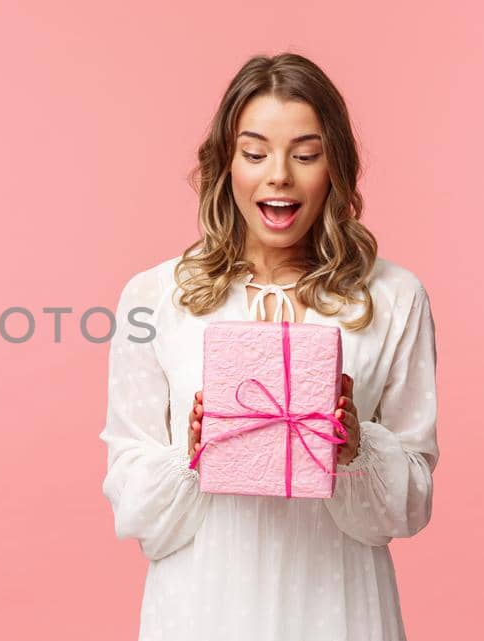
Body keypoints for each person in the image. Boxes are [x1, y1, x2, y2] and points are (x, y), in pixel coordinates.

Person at [99, 53, 439, 641]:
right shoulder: (154, 296)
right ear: (225, 164)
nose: (279, 174)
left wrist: (356, 448)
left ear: (335, 166)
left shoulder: (393, 297)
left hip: (339, 607)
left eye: (305, 155)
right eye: (255, 153)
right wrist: (193, 452)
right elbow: (133, 506)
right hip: (201, 606)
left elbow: (410, 504)